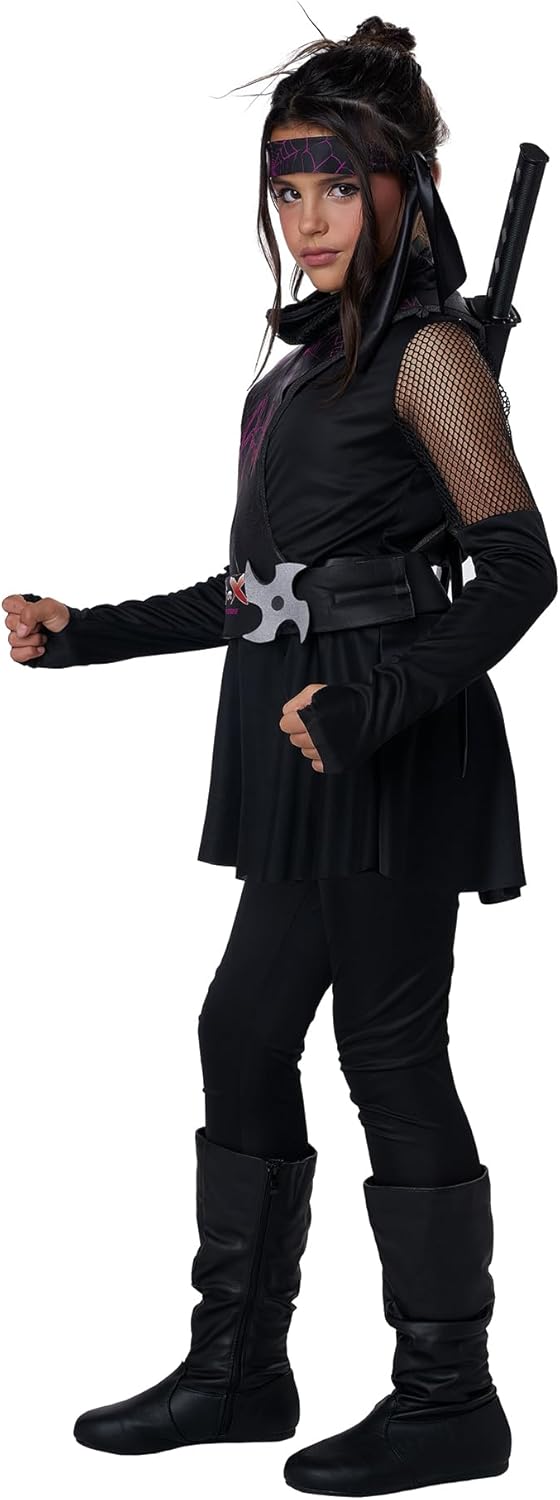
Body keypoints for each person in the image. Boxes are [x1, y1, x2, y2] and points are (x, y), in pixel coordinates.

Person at [3, 13, 557, 1495]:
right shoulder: (300, 373)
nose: (307, 220)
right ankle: (241, 1368)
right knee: (244, 1031)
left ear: (403, 188)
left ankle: (450, 1395)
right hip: (300, 747)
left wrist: (383, 700)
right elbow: (263, 595)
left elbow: (519, 568)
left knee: (388, 1054)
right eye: (287, 190)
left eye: (337, 189)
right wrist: (87, 633)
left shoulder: (432, 355)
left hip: (391, 745)